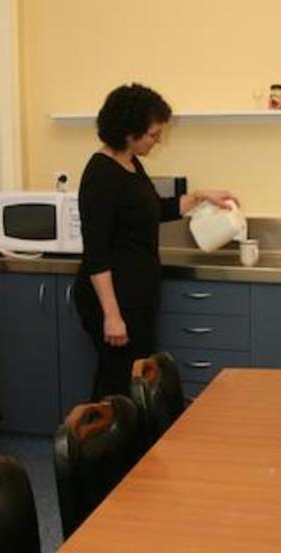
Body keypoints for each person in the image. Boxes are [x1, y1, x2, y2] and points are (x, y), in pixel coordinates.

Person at [73, 83, 238, 400]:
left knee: (135, 380)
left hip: (136, 296)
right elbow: (96, 253)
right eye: (152, 134)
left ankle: (133, 434)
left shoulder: (130, 162)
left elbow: (154, 210)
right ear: (128, 132)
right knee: (117, 384)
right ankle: (104, 434)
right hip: (114, 301)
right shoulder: (101, 175)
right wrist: (112, 316)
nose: (157, 140)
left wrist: (200, 196)